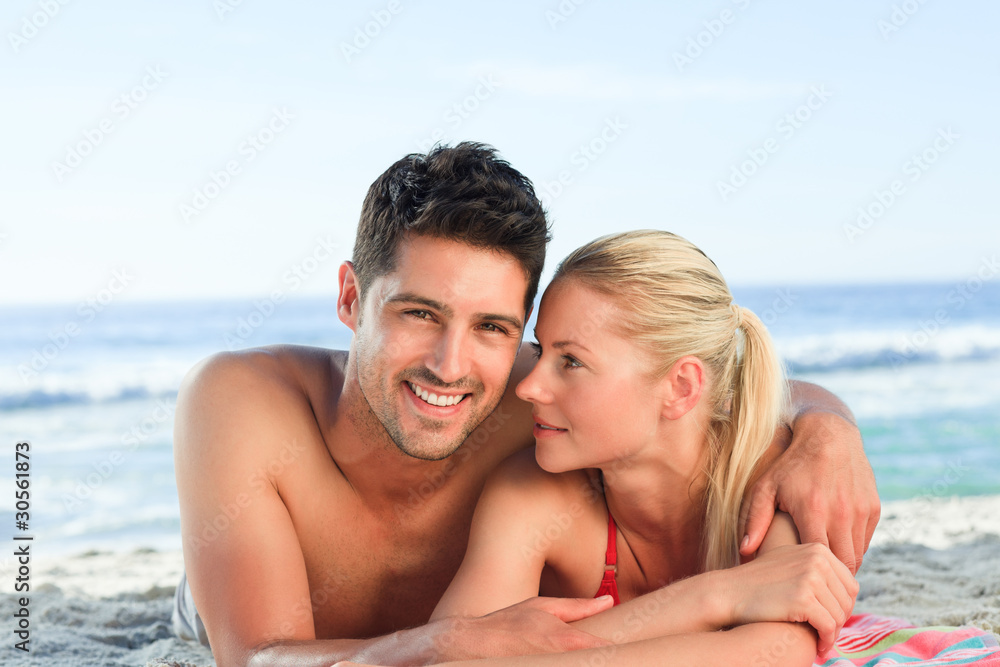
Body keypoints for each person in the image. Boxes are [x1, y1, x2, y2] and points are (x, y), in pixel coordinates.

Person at [172, 143, 879, 667]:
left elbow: (710, 390)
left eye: (493, 328)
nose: (451, 365)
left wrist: (826, 428)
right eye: (419, 312)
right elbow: (258, 658)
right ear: (352, 298)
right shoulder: (245, 403)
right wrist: (450, 640)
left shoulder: (537, 399)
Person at [426, 230, 857, 666]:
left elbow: (777, 654)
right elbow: (446, 658)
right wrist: (712, 597)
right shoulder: (530, 493)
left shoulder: (770, 476)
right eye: (539, 352)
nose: (529, 387)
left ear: (681, 387)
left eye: (571, 361)